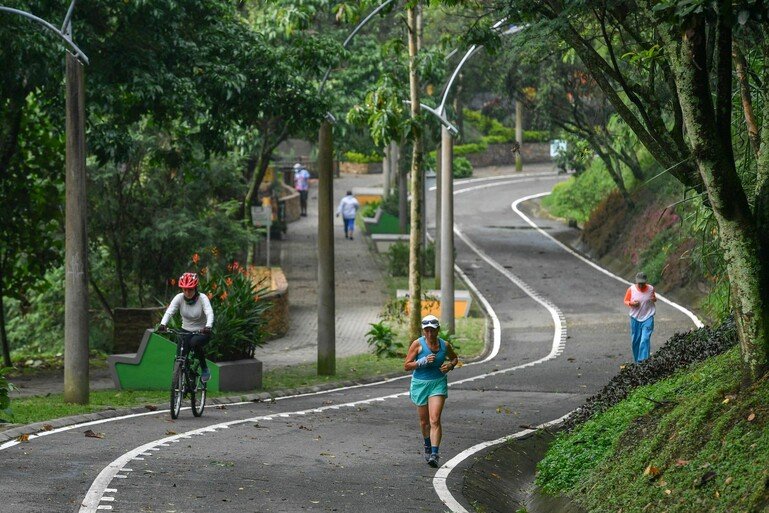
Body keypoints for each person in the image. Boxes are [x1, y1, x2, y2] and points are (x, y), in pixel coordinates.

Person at [404, 314, 459, 468]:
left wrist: (450, 365)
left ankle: (434, 453)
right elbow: (406, 365)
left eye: (432, 330)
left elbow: (454, 358)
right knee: (424, 421)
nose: (430, 334)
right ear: (423, 331)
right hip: (420, 384)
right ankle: (427, 445)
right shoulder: (417, 345)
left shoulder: (445, 345)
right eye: (426, 331)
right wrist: (422, 361)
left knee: (434, 419)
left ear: (438, 330)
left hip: (438, 383)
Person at [158, 272, 215, 382]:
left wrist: (208, 326)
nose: (187, 292)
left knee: (194, 343)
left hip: (202, 331)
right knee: (180, 356)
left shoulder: (202, 298)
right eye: (185, 289)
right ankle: (184, 376)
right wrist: (162, 324)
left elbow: (209, 313)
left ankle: (204, 369)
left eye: (190, 289)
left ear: (195, 288)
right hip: (185, 331)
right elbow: (169, 312)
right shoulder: (179, 298)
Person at [624, 271, 657, 363]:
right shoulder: (631, 289)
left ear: (646, 282)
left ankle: (643, 361)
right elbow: (626, 300)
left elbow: (654, 298)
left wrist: (654, 299)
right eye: (639, 283)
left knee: (645, 339)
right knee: (636, 341)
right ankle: (637, 362)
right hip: (635, 318)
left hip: (648, 317)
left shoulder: (651, 288)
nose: (641, 285)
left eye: (643, 283)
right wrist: (632, 303)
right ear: (636, 282)